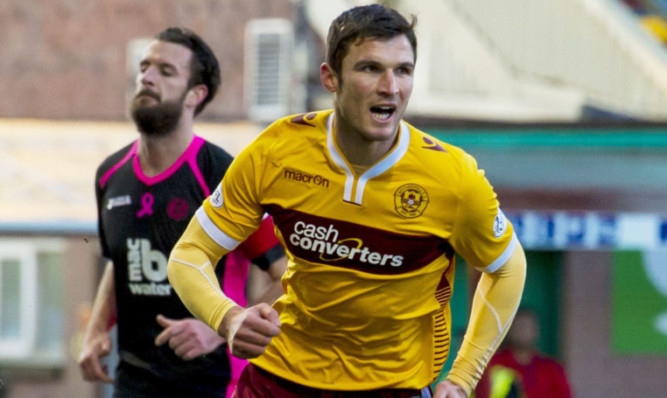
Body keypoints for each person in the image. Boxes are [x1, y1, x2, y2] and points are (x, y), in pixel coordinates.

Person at [168, 4, 527, 398]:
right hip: (277, 379)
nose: (390, 87)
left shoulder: (453, 178)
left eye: (403, 70)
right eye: (370, 68)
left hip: (391, 388)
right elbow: (189, 253)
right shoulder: (277, 151)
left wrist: (462, 379)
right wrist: (228, 318)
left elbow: (508, 268)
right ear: (330, 77)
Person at [77, 27, 286, 398]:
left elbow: (290, 273)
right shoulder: (110, 175)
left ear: (196, 95)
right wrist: (95, 329)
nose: (147, 77)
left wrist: (224, 323)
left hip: (214, 384)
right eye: (144, 67)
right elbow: (119, 261)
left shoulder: (222, 174)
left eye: (165, 71)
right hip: (132, 383)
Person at [474, 309, 573, 398]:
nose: (524, 330)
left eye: (529, 326)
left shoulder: (552, 368)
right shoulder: (493, 363)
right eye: (519, 325)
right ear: (508, 330)